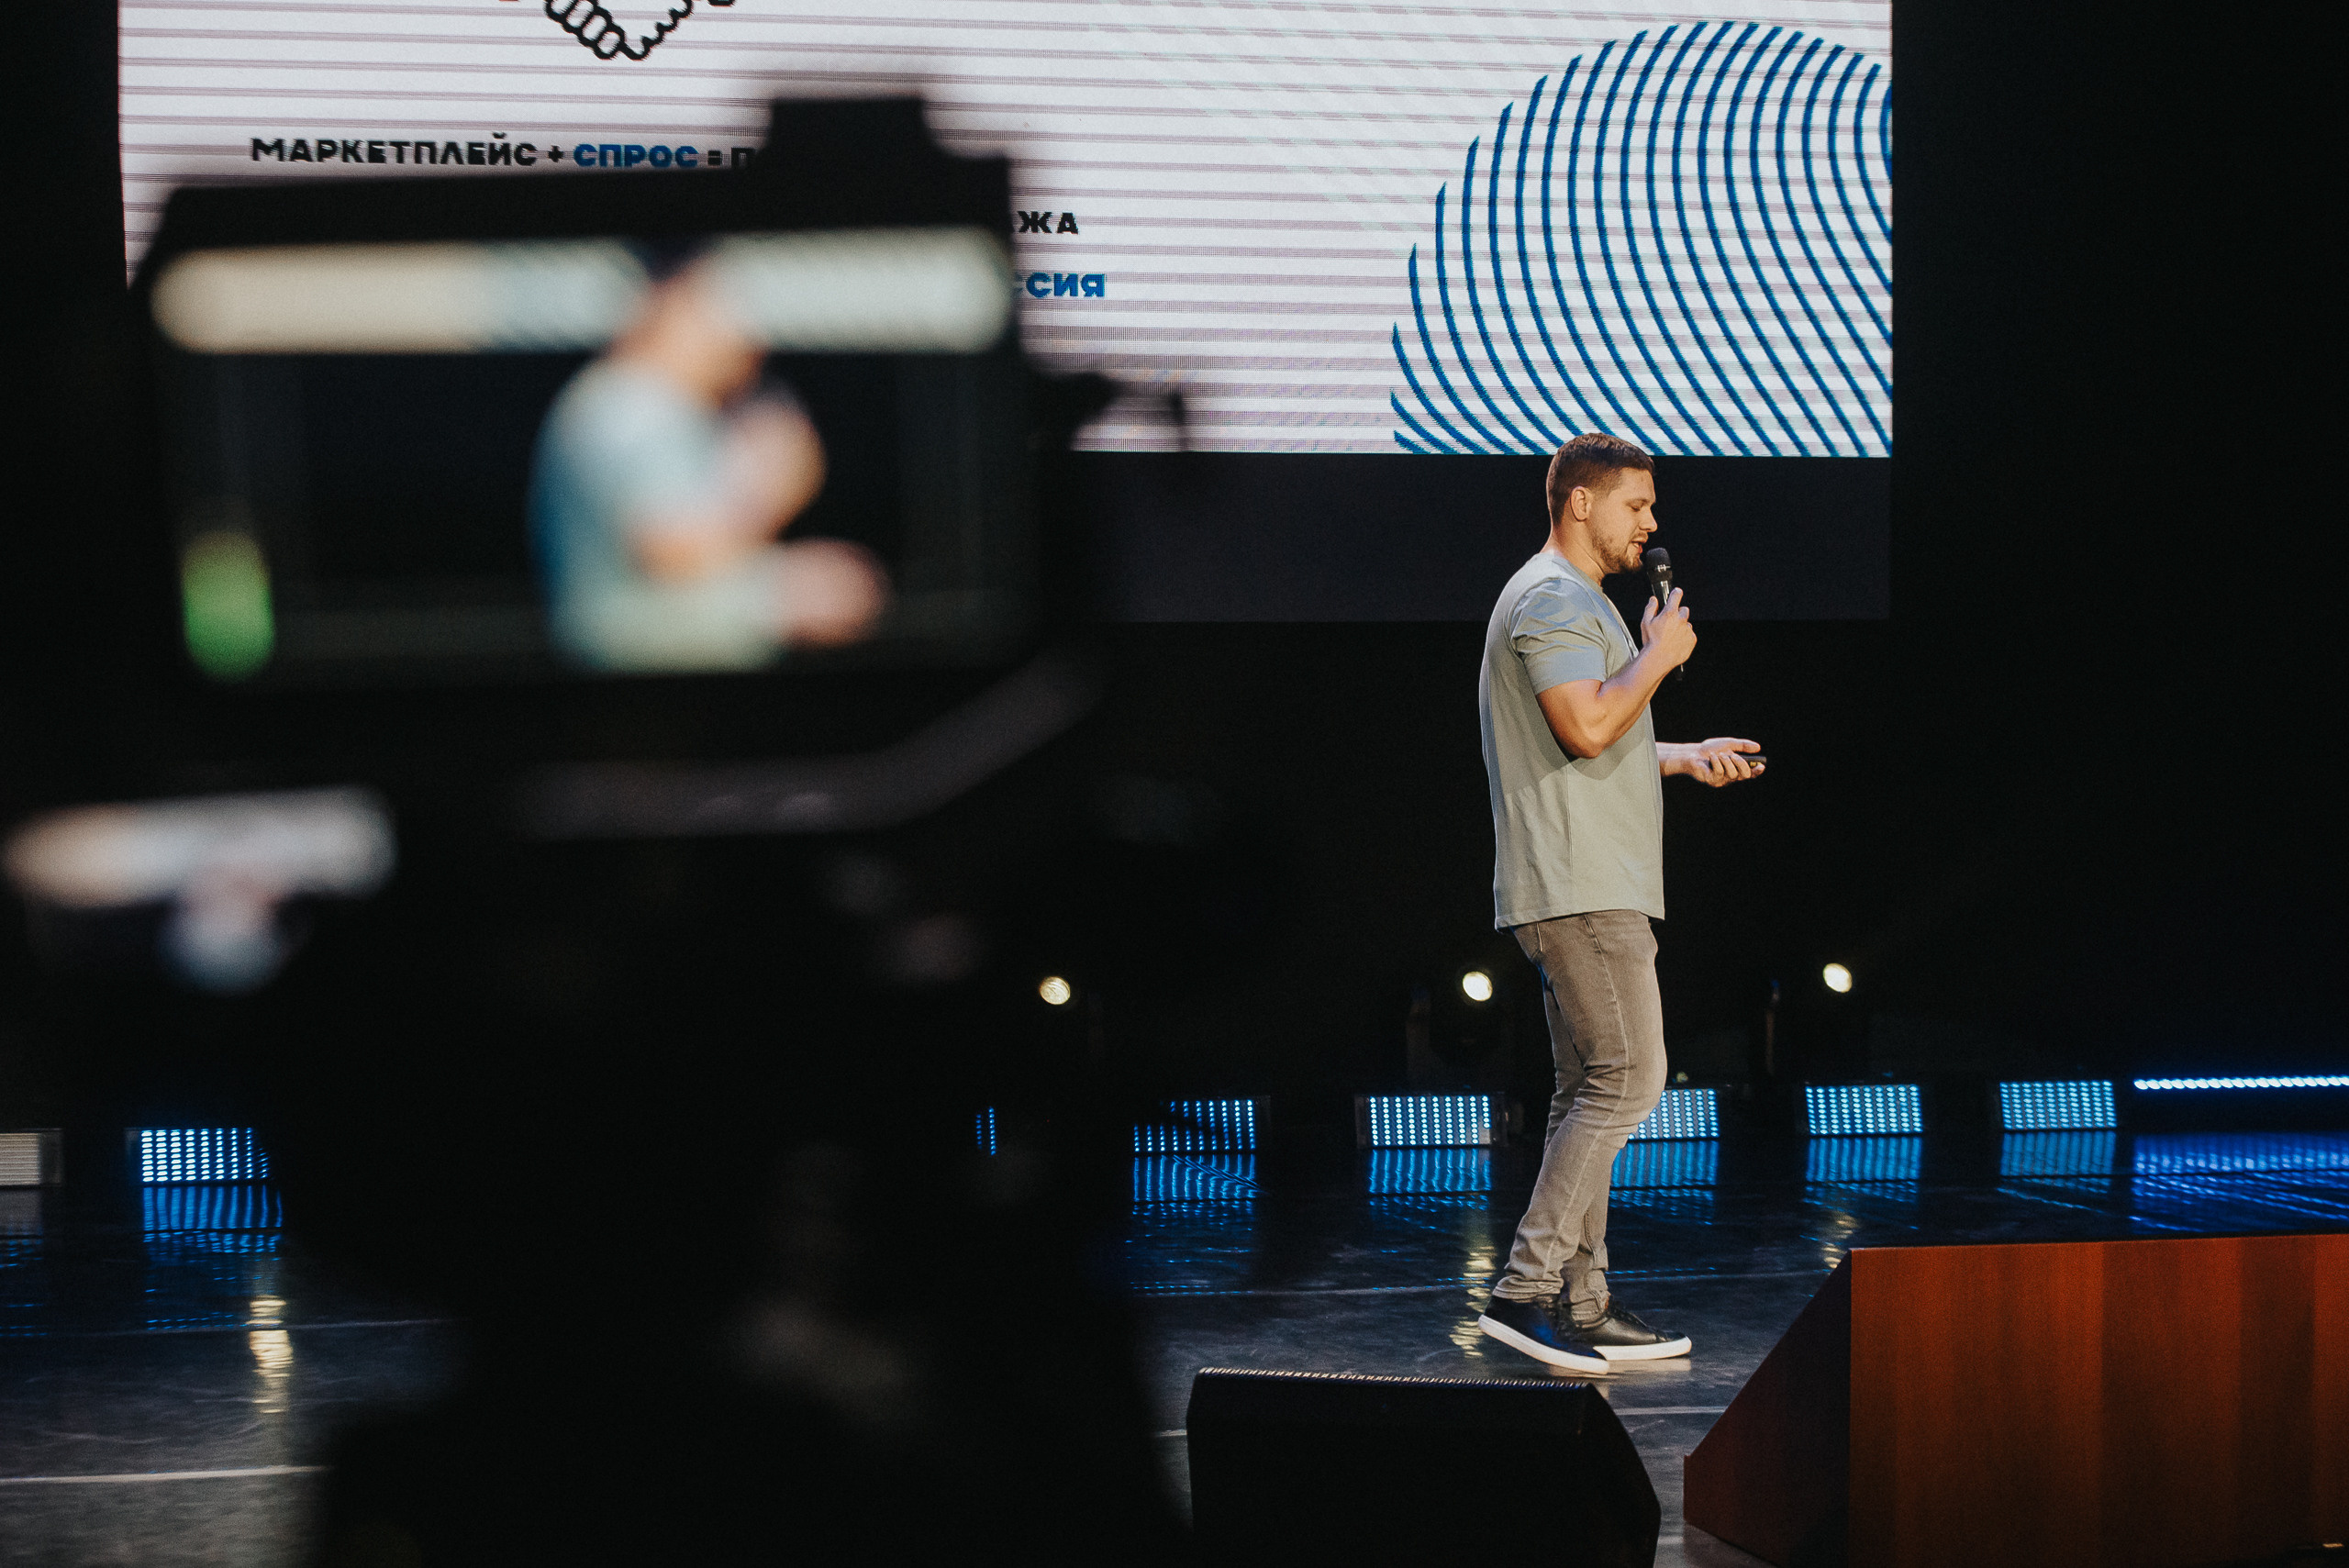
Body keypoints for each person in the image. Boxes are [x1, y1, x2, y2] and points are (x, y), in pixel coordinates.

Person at [1472, 432, 1764, 1374]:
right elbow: (1589, 724)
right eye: (1636, 505)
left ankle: (1583, 1302)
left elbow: (1598, 728)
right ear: (1580, 503)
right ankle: (1523, 1290)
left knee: (1584, 1088)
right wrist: (1659, 653)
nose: (1650, 523)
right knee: (1629, 1079)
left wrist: (1681, 754)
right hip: (1581, 884)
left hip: (1585, 878)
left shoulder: (1568, 600)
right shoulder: (1552, 597)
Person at [529, 250, 887, 672]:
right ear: (677, 307)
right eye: (725, 317)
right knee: (838, 595)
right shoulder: (635, 405)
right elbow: (671, 554)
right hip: (639, 653)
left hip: (643, 641)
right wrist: (772, 490)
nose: (745, 345)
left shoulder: (643, 400)